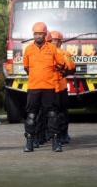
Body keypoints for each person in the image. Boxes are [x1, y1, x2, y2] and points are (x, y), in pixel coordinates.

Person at [23, 22, 65, 152]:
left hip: (49, 87)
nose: (38, 36)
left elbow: (61, 64)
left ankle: (56, 142)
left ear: (45, 34)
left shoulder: (52, 48)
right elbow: (26, 67)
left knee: (52, 114)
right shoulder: (28, 49)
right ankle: (29, 142)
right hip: (34, 87)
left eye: (41, 34)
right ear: (33, 35)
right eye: (36, 34)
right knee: (31, 115)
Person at [50, 30, 75, 144]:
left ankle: (62, 134)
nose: (54, 42)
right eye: (52, 40)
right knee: (53, 112)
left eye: (55, 40)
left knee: (61, 112)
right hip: (50, 87)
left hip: (60, 87)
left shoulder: (65, 54)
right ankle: (55, 135)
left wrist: (62, 70)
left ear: (60, 42)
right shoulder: (49, 53)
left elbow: (71, 69)